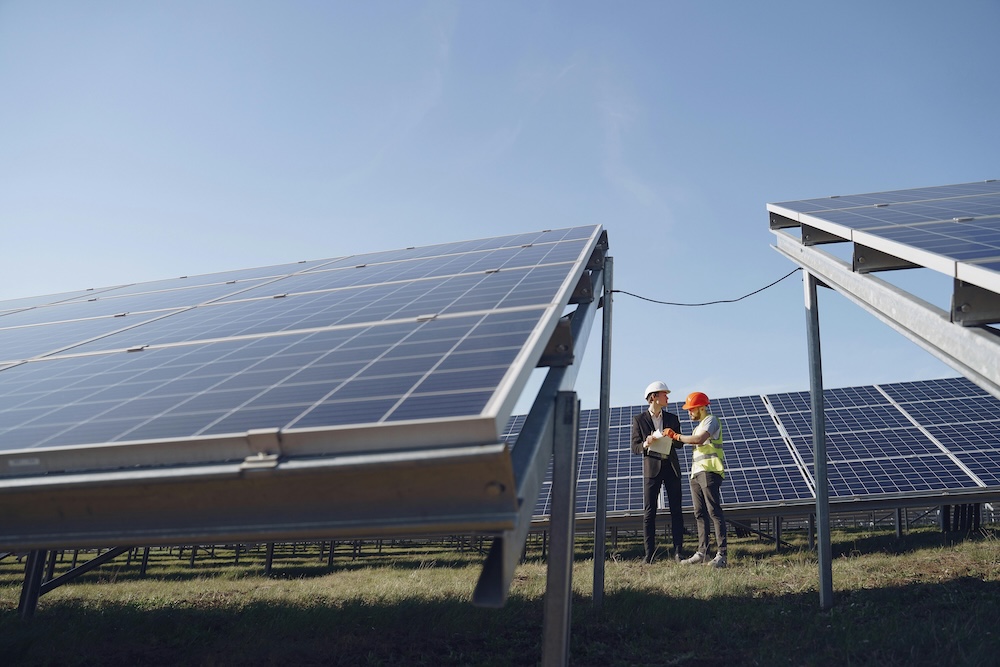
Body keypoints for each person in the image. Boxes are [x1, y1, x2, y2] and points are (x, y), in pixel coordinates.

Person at [665, 391, 727, 568]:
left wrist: (676, 436)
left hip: (709, 471)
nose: (689, 413)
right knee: (700, 513)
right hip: (697, 474)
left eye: (691, 409)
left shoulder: (711, 420)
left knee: (714, 512)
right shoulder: (698, 425)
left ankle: (721, 555)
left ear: (701, 408)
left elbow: (699, 440)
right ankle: (703, 552)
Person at [630, 381, 685, 563]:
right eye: (664, 394)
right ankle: (650, 554)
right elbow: (635, 447)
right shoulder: (639, 420)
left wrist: (672, 436)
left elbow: (680, 443)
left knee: (676, 511)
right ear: (654, 397)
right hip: (652, 469)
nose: (667, 397)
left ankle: (678, 552)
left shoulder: (673, 418)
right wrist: (647, 443)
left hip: (671, 468)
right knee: (649, 513)